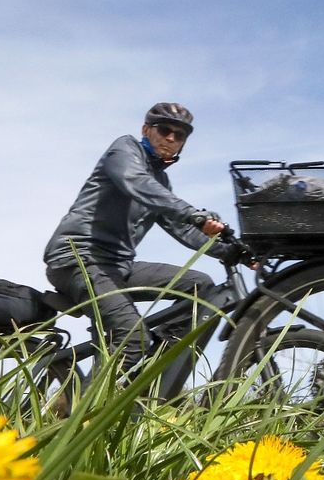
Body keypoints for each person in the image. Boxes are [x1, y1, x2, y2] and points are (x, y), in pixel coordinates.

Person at [44, 101, 232, 377]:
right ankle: (85, 416)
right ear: (146, 130)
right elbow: (136, 182)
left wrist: (234, 251)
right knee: (134, 338)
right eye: (164, 130)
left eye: (179, 135)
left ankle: (154, 356)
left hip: (118, 267)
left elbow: (184, 230)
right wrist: (194, 214)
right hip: (77, 257)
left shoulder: (161, 183)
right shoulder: (124, 150)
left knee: (200, 286)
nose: (170, 138)